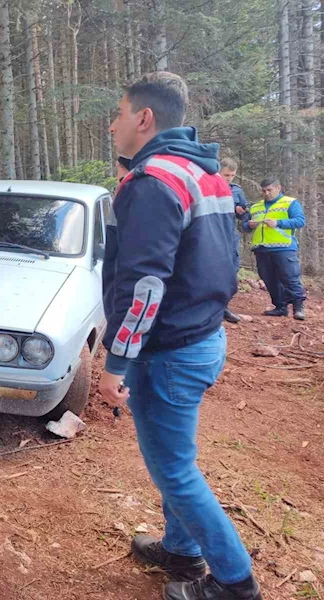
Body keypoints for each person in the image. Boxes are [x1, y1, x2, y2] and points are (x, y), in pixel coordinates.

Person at [101, 72, 262, 600]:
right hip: (200, 337)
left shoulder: (154, 182)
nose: (112, 124)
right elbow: (221, 260)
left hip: (169, 351)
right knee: (177, 460)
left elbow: (144, 286)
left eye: (119, 113)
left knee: (174, 470)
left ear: (144, 118)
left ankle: (235, 583)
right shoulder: (203, 174)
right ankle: (181, 550)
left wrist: (116, 362)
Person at [243, 177, 306, 320]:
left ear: (279, 188)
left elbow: (300, 221)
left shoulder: (290, 203)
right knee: (269, 279)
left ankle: (298, 308)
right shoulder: (256, 207)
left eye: (269, 190)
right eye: (264, 190)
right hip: (262, 248)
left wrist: (278, 222)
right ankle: (280, 307)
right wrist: (250, 225)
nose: (266, 193)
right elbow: (245, 226)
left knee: (290, 277)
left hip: (284, 247)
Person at [219, 158, 249, 324]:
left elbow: (243, 215)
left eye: (232, 175)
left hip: (230, 233)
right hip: (211, 232)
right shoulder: (207, 184)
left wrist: (242, 212)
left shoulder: (237, 191)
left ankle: (224, 306)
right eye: (226, 175)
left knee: (232, 269)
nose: (229, 178)